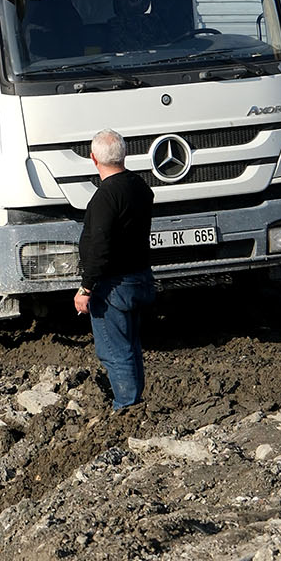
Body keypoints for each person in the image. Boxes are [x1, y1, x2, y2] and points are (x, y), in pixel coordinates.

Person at [72, 129, 157, 410]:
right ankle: (135, 404)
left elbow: (101, 246)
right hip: (139, 277)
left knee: (114, 352)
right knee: (130, 348)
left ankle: (127, 408)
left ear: (93, 158)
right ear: (124, 155)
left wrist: (86, 288)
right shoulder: (140, 187)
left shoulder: (106, 197)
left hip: (114, 286)